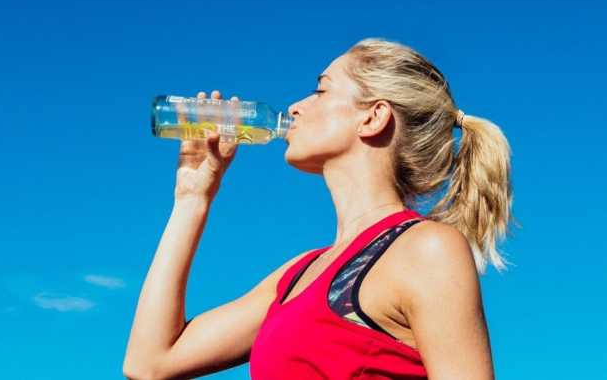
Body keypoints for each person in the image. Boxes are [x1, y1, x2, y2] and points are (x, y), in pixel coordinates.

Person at [123, 38, 514, 380]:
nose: (295, 107)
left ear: (373, 116)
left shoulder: (426, 250)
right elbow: (150, 363)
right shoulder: (297, 275)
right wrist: (192, 198)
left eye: (321, 91)